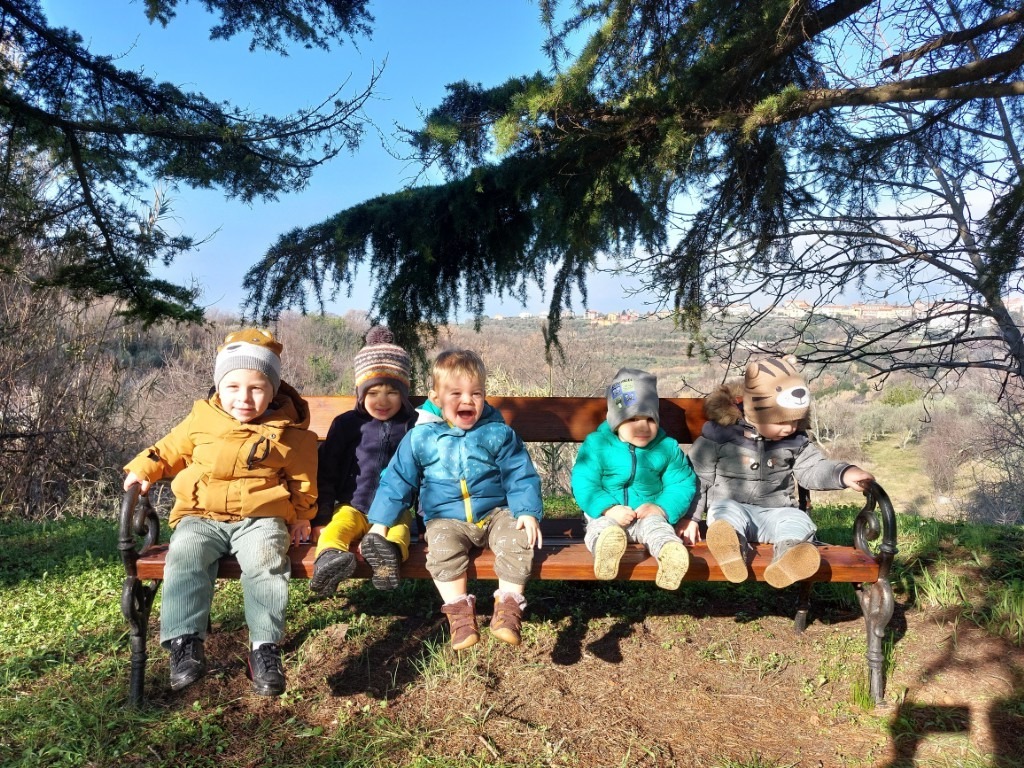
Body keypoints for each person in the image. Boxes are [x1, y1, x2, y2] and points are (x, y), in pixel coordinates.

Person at [123, 328, 317, 697]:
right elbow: (167, 450)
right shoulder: (201, 419)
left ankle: (264, 648)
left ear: (273, 391)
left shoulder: (287, 433)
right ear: (219, 387)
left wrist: (302, 515)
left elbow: (303, 479)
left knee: (266, 559)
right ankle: (185, 643)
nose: (244, 398)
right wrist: (143, 469)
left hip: (260, 517)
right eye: (233, 387)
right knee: (186, 554)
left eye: (257, 388)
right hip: (201, 514)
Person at [366, 348, 543, 650]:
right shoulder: (421, 438)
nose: (467, 400)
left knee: (517, 538)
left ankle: (508, 608)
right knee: (442, 549)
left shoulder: (497, 433)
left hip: (495, 513)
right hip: (446, 518)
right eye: (456, 393)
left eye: (476, 393)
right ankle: (460, 617)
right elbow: (397, 480)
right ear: (436, 399)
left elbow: (520, 473)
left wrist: (526, 511)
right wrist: (380, 523)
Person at [690, 355, 875, 588]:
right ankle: (731, 549)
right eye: (780, 422)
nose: (789, 428)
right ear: (753, 412)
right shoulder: (720, 435)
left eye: (795, 421)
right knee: (723, 511)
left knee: (797, 520)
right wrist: (691, 518)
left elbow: (812, 467)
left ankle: (790, 557)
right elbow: (698, 477)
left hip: (777, 512)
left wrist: (844, 473)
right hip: (734, 510)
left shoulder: (795, 440)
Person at [311, 326, 417, 595]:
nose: (382, 400)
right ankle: (330, 559)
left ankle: (388, 560)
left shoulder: (412, 426)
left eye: (392, 392)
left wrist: (427, 520)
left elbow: (426, 474)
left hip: (396, 509)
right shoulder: (347, 424)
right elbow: (327, 471)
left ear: (404, 394)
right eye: (373, 392)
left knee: (400, 531)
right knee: (337, 528)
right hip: (352, 506)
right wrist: (321, 517)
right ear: (360, 393)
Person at [571, 368, 699, 589]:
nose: (643, 426)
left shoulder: (666, 448)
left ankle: (671, 556)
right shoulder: (597, 444)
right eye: (632, 419)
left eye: (650, 419)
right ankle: (606, 553)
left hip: (647, 515)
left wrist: (661, 508)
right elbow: (584, 482)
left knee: (658, 530)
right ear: (616, 421)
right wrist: (608, 508)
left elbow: (681, 483)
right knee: (601, 529)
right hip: (607, 515)